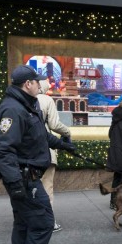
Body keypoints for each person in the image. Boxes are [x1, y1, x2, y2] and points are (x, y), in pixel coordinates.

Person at [0, 65, 76, 244]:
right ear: (27, 84)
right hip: (23, 179)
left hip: (27, 176)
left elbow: (41, 135)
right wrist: (15, 184)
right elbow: (4, 151)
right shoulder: (13, 110)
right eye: (37, 82)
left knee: (24, 224)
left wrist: (63, 145)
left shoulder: (28, 106)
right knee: (43, 223)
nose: (40, 85)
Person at [37, 80, 72, 233]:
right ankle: (48, 222)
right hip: (44, 152)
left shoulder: (19, 100)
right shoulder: (46, 100)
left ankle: (30, 220)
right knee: (46, 188)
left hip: (25, 154)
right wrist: (67, 133)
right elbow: (54, 124)